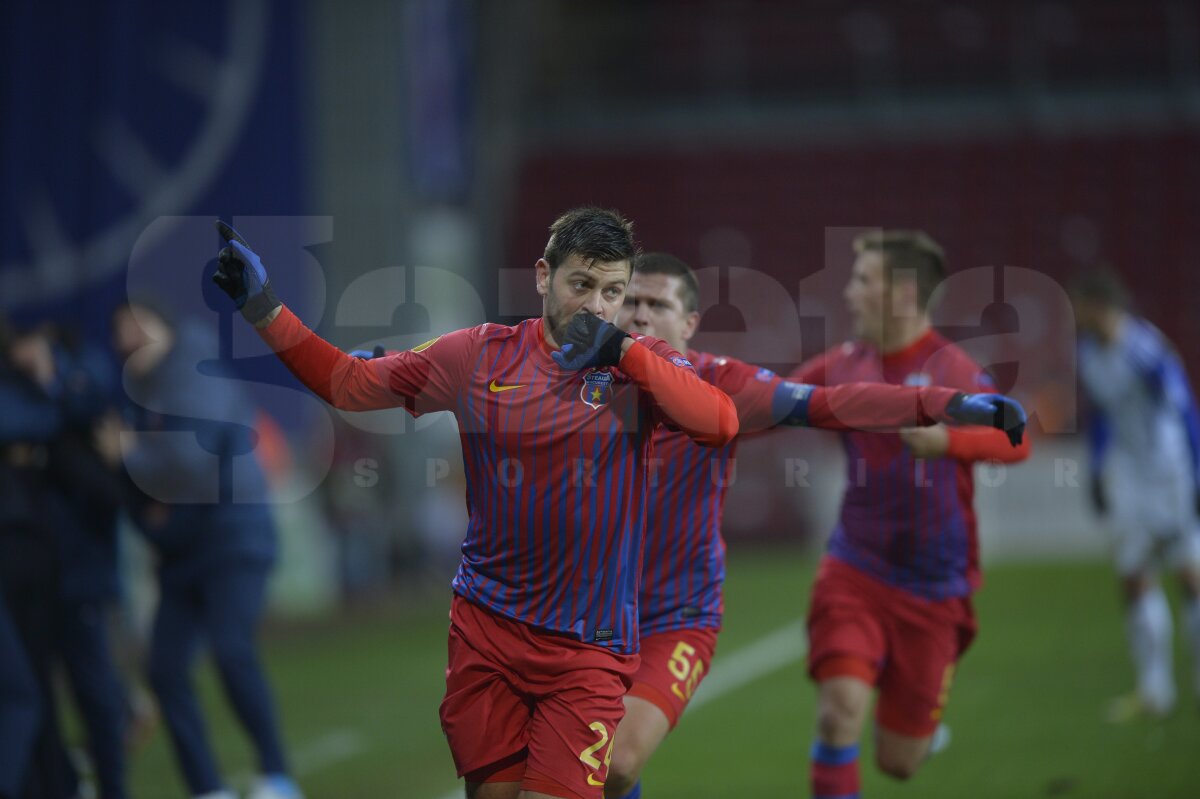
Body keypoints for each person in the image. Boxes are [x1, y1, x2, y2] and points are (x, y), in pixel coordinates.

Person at [210, 208, 739, 799]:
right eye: (581, 284)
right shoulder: (478, 355)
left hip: (588, 645)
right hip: (488, 634)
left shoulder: (638, 366)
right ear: (543, 277)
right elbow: (348, 384)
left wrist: (624, 351)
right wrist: (263, 308)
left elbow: (719, 422)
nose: (596, 306)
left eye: (612, 291)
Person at [602, 253, 1026, 799]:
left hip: (678, 613)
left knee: (897, 761)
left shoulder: (719, 385)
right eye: (630, 301)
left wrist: (947, 419)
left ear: (689, 323)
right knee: (596, 766)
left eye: (657, 304)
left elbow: (826, 404)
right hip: (594, 609)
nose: (640, 315)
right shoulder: (581, 387)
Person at [792, 230, 1031, 798]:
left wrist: (949, 442)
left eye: (862, 280)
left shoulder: (953, 368)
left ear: (901, 292)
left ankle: (919, 728)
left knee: (899, 762)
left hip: (934, 585)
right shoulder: (843, 365)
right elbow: (763, 403)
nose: (848, 293)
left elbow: (1017, 440)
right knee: (839, 712)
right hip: (855, 568)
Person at [111, 299, 301, 799]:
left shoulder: (197, 367)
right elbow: (138, 490)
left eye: (138, 324)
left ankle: (276, 776)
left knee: (231, 649)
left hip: (234, 537)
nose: (129, 338)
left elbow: (189, 460)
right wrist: (148, 504)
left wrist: (129, 454)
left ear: (167, 327)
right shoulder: (139, 394)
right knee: (165, 668)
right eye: (120, 331)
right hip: (181, 552)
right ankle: (207, 788)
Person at [1071, 268, 1200, 720]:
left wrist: (1197, 471)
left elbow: (1183, 409)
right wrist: (1096, 471)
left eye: (1080, 306)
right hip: (1127, 473)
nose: (1076, 315)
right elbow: (1101, 416)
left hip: (1167, 471)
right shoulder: (1088, 353)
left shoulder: (1146, 350)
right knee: (1133, 574)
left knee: (1189, 573)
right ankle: (1154, 689)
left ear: (1100, 306)